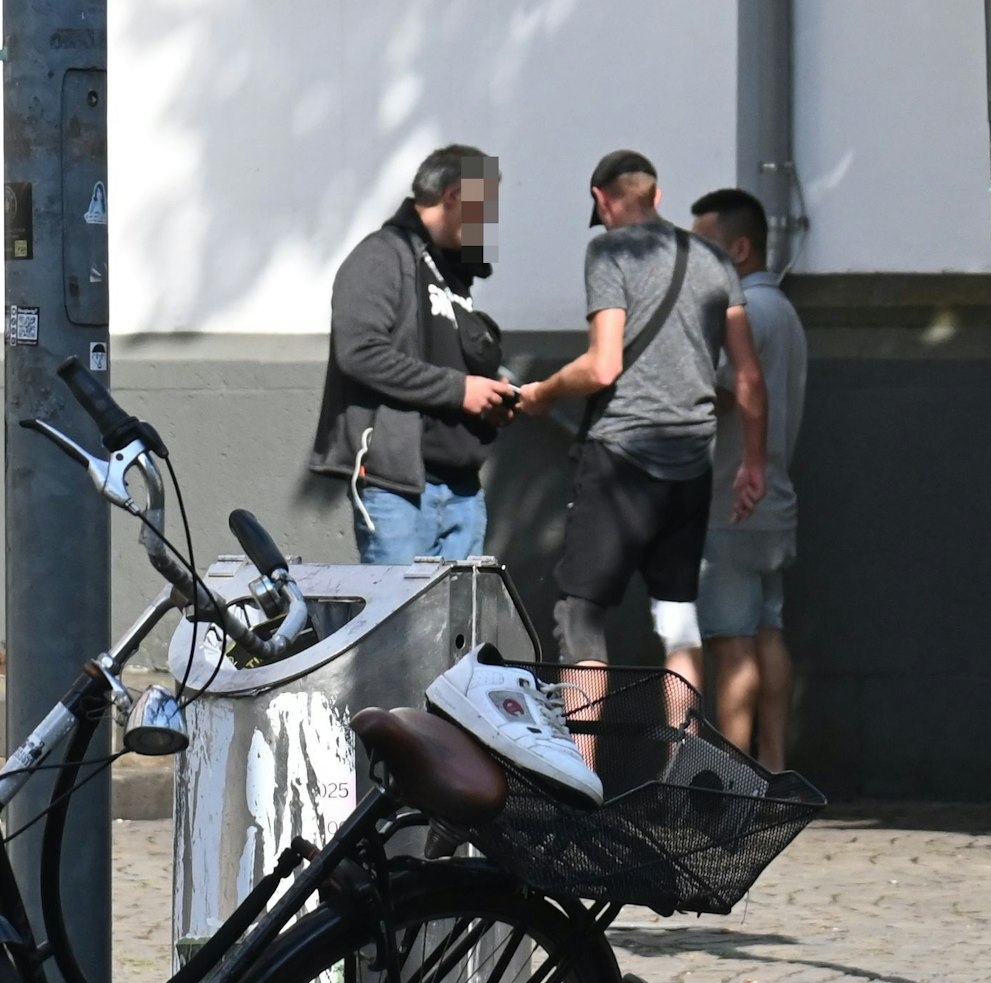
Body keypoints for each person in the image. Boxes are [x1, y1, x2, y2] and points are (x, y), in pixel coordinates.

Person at [517, 150, 768, 687]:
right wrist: (754, 464)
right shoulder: (716, 261)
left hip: (619, 460)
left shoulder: (609, 252)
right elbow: (748, 376)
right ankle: (685, 760)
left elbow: (603, 365)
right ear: (657, 195)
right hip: (692, 464)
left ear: (601, 200)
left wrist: (542, 391)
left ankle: (579, 771)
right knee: (677, 621)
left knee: (580, 614)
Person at [309, 144, 518, 564]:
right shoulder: (381, 256)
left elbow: (447, 364)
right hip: (398, 490)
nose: (490, 221)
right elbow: (360, 352)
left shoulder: (453, 273)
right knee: (402, 627)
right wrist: (460, 390)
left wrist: (494, 388)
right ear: (455, 197)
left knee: (462, 628)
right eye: (486, 206)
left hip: (462, 491)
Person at [688, 188, 807, 771]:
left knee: (730, 640)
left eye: (705, 246)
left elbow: (717, 393)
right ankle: (774, 765)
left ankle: (732, 779)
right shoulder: (782, 310)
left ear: (739, 248)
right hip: (773, 498)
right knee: (768, 631)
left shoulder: (745, 315)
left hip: (728, 499)